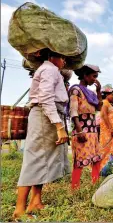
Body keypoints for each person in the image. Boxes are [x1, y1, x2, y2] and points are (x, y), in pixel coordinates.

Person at [13, 51, 69, 221]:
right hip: (45, 116)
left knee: (43, 160)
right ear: (53, 57)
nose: (64, 62)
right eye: (63, 58)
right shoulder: (49, 69)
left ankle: (35, 201)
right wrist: (59, 126)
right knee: (35, 159)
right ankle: (19, 210)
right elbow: (45, 98)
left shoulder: (51, 70)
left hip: (49, 116)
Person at [68, 64, 103, 189]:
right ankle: (75, 188)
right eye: (94, 76)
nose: (95, 79)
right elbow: (73, 111)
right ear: (85, 75)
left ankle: (96, 184)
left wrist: (99, 92)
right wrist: (79, 131)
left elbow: (99, 107)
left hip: (93, 132)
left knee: (97, 159)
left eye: (96, 77)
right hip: (82, 131)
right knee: (80, 162)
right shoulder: (75, 90)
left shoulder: (91, 93)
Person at [99, 85, 113, 171]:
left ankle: (112, 167)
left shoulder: (110, 105)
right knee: (106, 149)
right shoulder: (104, 103)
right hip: (108, 132)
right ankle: (103, 168)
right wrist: (111, 128)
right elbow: (103, 115)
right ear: (106, 95)